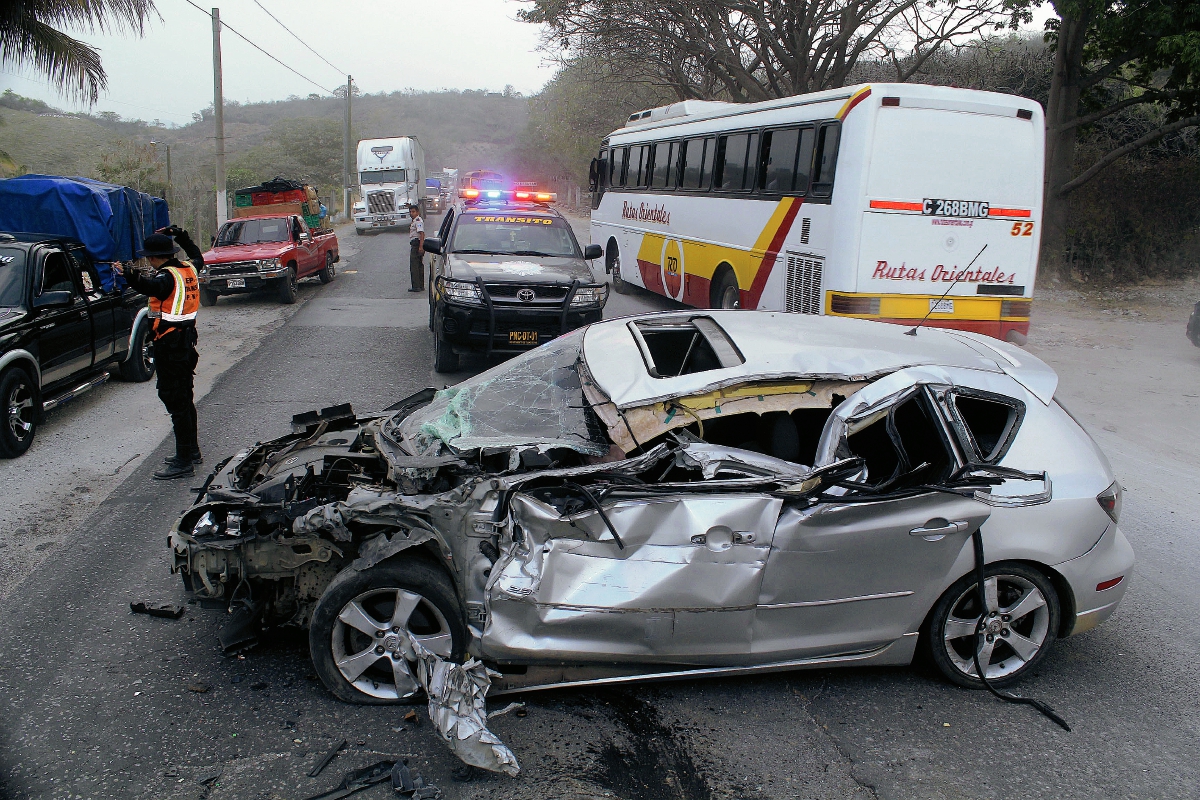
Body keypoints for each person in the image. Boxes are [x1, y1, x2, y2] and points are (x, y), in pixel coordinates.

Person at [113, 226, 203, 480]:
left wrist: (128, 273)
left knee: (175, 401)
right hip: (185, 344)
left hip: (170, 346)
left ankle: (184, 461)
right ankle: (191, 451)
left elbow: (149, 286)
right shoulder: (189, 268)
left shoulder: (166, 277)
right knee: (185, 400)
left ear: (154, 258)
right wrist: (183, 235)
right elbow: (198, 255)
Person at [408, 203, 424, 292]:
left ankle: (416, 286)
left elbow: (422, 234)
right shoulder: (416, 220)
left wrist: (421, 247)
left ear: (417, 212)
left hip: (416, 244)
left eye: (413, 211)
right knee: (419, 265)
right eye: (410, 212)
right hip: (416, 244)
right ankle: (420, 285)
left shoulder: (418, 221)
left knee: (414, 266)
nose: (411, 213)